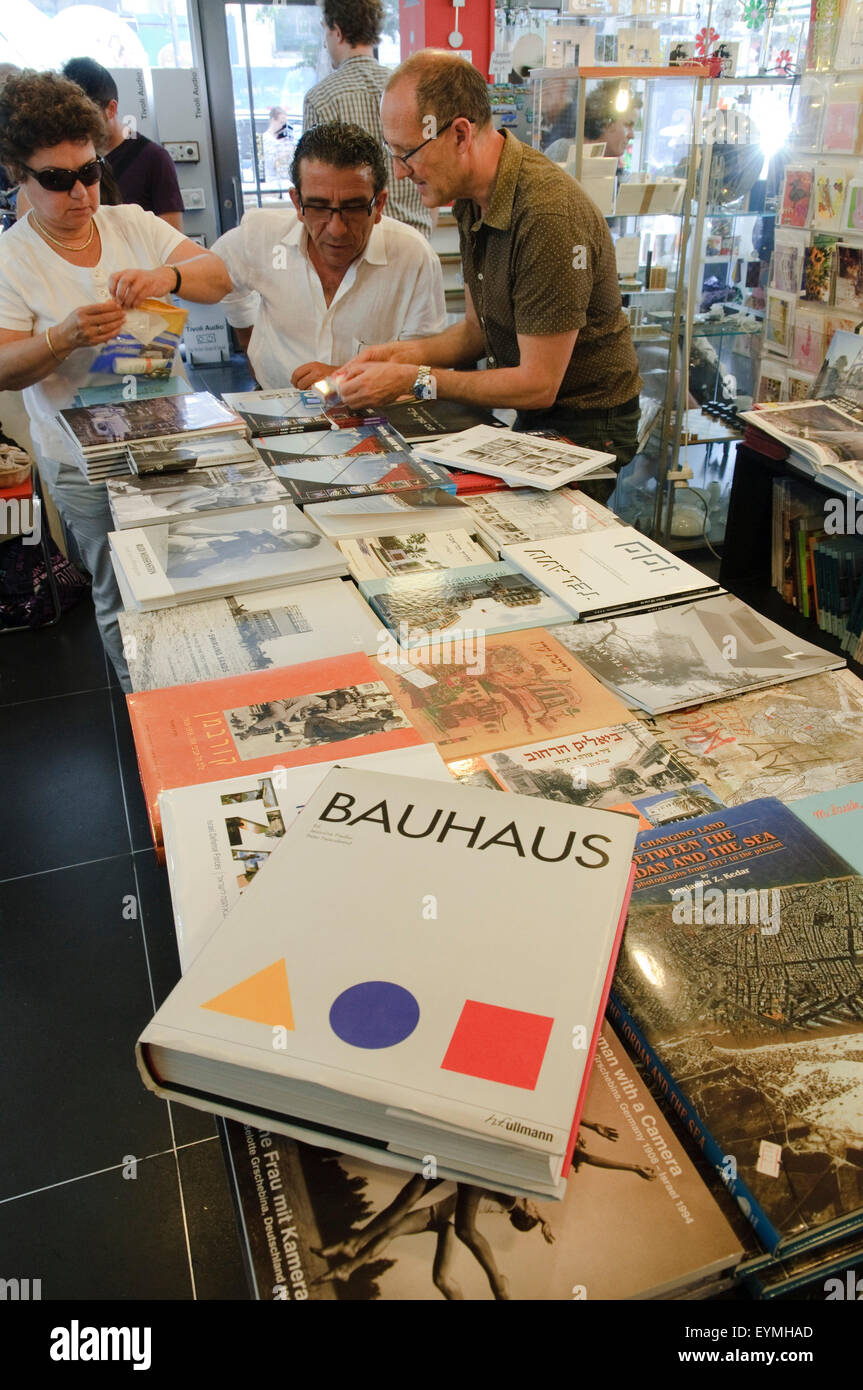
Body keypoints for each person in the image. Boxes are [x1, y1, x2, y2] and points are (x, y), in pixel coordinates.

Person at [0, 71, 232, 688]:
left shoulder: (131, 222)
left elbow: (218, 277)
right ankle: (147, 708)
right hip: (82, 463)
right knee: (123, 583)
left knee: (194, 567)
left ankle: (207, 686)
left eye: (90, 170)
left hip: (165, 439)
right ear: (17, 175)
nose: (79, 192)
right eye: (56, 180)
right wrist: (62, 338)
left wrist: (168, 279)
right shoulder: (12, 258)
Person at [335, 50, 642, 503]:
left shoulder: (546, 214)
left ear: (460, 134)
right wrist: (395, 357)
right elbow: (476, 333)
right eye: (393, 153)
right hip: (539, 411)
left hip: (589, 419)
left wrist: (414, 379)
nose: (400, 171)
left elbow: (538, 383)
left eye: (408, 153)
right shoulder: (471, 197)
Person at [211, 121, 445, 391]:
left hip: (376, 415)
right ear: (298, 203)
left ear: (379, 204)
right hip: (276, 403)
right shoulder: (261, 236)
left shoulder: (412, 257)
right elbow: (217, 273)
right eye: (319, 207)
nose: (336, 229)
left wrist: (346, 379)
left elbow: (427, 378)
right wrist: (247, 336)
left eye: (354, 208)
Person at [304, 0, 431, 239]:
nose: (325, 42)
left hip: (360, 247)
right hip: (416, 242)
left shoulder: (321, 98)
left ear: (337, 31)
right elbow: (434, 171)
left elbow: (315, 190)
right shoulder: (413, 89)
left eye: (326, 32)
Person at [60, 58, 184, 230]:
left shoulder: (153, 158)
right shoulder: (70, 161)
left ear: (111, 108)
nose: (79, 127)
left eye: (87, 117)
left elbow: (173, 239)